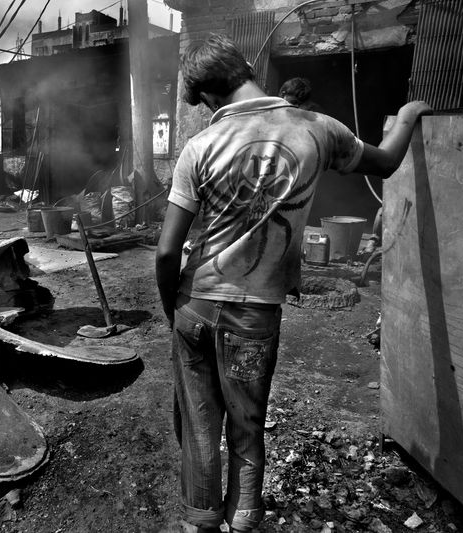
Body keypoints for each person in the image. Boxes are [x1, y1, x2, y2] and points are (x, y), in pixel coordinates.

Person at [155, 34, 431, 533]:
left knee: (198, 425)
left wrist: (169, 306)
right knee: (247, 426)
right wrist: (410, 111)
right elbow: (387, 161)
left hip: (194, 305)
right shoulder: (318, 128)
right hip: (253, 315)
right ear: (245, 67)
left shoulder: (199, 146)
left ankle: (200, 523)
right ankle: (243, 521)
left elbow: (168, 251)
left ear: (212, 99)